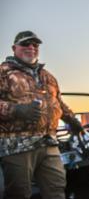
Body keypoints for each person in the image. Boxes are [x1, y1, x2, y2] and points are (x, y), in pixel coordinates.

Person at [0, 31, 83, 199]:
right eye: (26, 44)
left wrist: (71, 119)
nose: (31, 47)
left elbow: (58, 102)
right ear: (14, 48)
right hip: (16, 147)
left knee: (57, 190)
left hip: (49, 143)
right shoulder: (3, 72)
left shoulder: (48, 76)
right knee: (19, 194)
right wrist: (17, 110)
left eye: (35, 45)